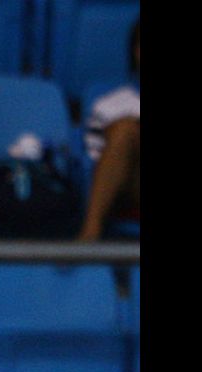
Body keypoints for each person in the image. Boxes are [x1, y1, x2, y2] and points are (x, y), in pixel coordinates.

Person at [78, 18, 140, 241]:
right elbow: (96, 165)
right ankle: (89, 237)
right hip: (128, 188)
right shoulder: (109, 105)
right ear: (137, 52)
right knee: (124, 130)